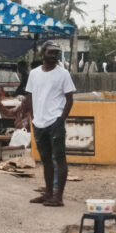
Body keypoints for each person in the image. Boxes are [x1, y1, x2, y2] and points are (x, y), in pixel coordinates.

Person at [26, 41, 76, 207]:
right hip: (39, 123)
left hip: (55, 121)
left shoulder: (63, 74)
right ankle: (48, 193)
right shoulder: (34, 73)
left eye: (56, 53)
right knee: (45, 159)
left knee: (59, 159)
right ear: (43, 53)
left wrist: (61, 119)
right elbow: (29, 96)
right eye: (51, 52)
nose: (54, 56)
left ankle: (58, 196)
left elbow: (69, 99)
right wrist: (33, 117)